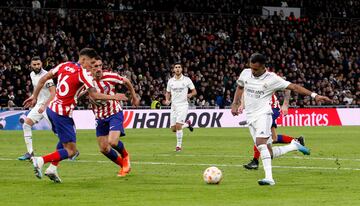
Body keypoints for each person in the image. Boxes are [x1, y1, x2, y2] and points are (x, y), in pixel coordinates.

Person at [23, 48, 125, 183]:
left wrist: (34, 96)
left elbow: (44, 78)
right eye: (91, 62)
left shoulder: (64, 65)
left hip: (52, 109)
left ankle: (52, 168)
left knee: (64, 140)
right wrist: (114, 97)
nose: (92, 65)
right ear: (83, 60)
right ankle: (40, 160)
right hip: (62, 114)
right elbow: (94, 94)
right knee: (71, 150)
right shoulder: (83, 74)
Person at [231, 53, 331, 186]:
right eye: (251, 68)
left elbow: (294, 87)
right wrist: (235, 103)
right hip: (250, 117)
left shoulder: (272, 79)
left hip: (264, 115)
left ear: (263, 67)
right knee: (268, 153)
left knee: (260, 144)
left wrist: (315, 95)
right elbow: (240, 87)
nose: (253, 71)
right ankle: (294, 145)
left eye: (255, 69)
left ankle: (269, 178)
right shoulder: (245, 73)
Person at [85, 56, 140, 177]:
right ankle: (123, 165)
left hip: (114, 112)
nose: (99, 69)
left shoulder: (110, 76)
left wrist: (134, 97)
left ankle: (125, 156)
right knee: (103, 148)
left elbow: (127, 81)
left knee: (113, 142)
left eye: (100, 66)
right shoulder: (86, 79)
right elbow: (93, 95)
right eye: (95, 67)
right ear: (90, 68)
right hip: (99, 116)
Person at [243, 92, 306, 169]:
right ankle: (297, 141)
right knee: (269, 138)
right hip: (271, 111)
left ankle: (255, 162)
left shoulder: (264, 88)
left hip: (270, 112)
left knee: (262, 138)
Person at [18, 56, 56, 161]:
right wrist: (34, 98)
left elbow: (53, 93)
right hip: (39, 105)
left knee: (57, 130)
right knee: (26, 124)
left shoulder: (46, 75)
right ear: (31, 65)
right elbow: (37, 88)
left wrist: (45, 105)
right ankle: (30, 153)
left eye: (38, 64)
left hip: (50, 105)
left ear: (41, 64)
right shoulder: (32, 74)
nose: (36, 66)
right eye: (34, 64)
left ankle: (72, 151)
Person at [164, 63, 197, 151]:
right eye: (176, 67)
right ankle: (187, 124)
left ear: (182, 69)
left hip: (183, 105)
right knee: (173, 129)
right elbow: (168, 92)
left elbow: (194, 91)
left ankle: (178, 146)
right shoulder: (170, 81)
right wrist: (167, 99)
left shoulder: (187, 80)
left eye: (179, 67)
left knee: (178, 125)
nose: (177, 69)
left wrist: (190, 94)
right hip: (174, 106)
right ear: (173, 69)